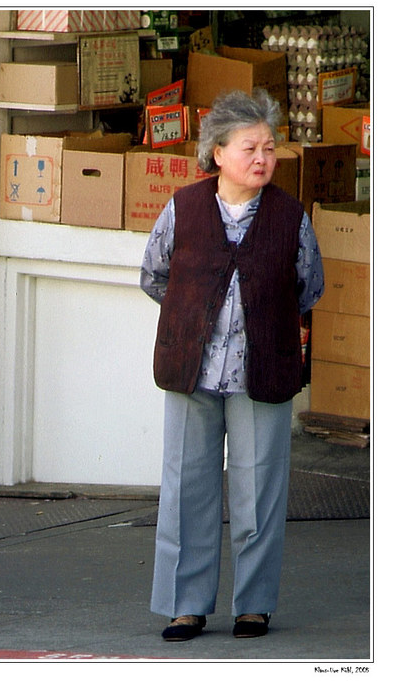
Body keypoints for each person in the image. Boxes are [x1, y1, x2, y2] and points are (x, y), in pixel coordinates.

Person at [140, 89, 324, 641]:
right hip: (191, 367)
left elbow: (307, 287)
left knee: (259, 490)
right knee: (185, 487)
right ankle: (184, 605)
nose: (262, 158)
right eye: (250, 147)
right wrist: (195, 319)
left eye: (269, 147)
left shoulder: (291, 218)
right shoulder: (183, 208)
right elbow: (154, 276)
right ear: (217, 153)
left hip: (262, 370)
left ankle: (254, 604)